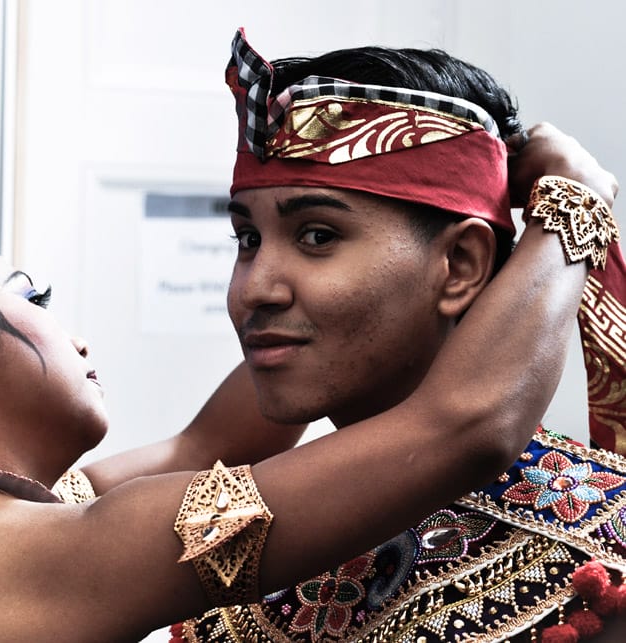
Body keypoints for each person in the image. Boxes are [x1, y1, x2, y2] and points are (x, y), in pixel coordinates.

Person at [0, 126, 610, 639]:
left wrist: (303, 313)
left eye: (311, 237)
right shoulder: (57, 554)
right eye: (29, 296)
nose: (67, 328)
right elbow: (463, 426)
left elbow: (210, 444)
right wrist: (577, 201)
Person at [158, 30, 626, 643]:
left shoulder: (600, 555)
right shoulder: (235, 556)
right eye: (247, 240)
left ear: (459, 266)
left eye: (318, 236)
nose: (253, 289)